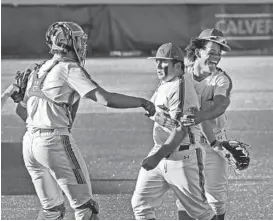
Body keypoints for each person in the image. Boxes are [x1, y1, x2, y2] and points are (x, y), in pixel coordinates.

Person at [11, 21, 155, 220]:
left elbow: (22, 112)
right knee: (85, 208)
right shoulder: (69, 68)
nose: (82, 45)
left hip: (29, 144)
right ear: (67, 42)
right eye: (78, 40)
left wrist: (20, 99)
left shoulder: (38, 69)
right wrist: (142, 102)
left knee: (51, 210)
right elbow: (106, 99)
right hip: (53, 142)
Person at [131, 43, 215, 220]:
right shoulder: (165, 84)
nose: (158, 66)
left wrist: (156, 156)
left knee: (201, 213)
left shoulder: (180, 87)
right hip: (161, 150)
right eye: (157, 62)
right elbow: (157, 114)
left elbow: (180, 131)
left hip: (183, 156)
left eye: (163, 62)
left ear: (178, 65)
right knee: (140, 205)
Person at [176, 28, 233, 220]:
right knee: (187, 198)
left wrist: (198, 117)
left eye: (219, 53)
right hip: (188, 143)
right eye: (211, 52)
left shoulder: (220, 79)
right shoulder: (180, 77)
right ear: (198, 51)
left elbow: (220, 105)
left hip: (214, 142)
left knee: (216, 200)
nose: (216, 57)